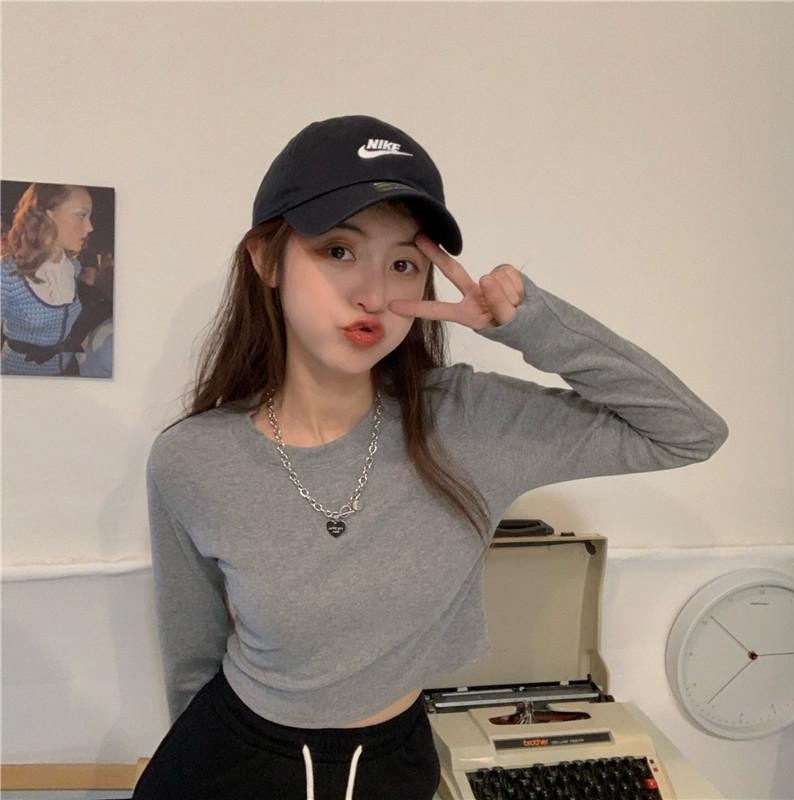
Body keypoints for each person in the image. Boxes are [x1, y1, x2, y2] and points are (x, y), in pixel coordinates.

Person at [134, 115, 729, 800]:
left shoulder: (468, 423)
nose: (374, 294)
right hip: (227, 764)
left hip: (397, 765)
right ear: (267, 260)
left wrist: (530, 324)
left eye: (403, 264)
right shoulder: (192, 459)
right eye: (338, 251)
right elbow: (191, 666)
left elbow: (687, 431)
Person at [1, 183, 109, 377]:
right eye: (81, 215)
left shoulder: (72, 267)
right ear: (48, 215)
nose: (90, 227)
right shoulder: (7, 274)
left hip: (64, 372)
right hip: (17, 375)